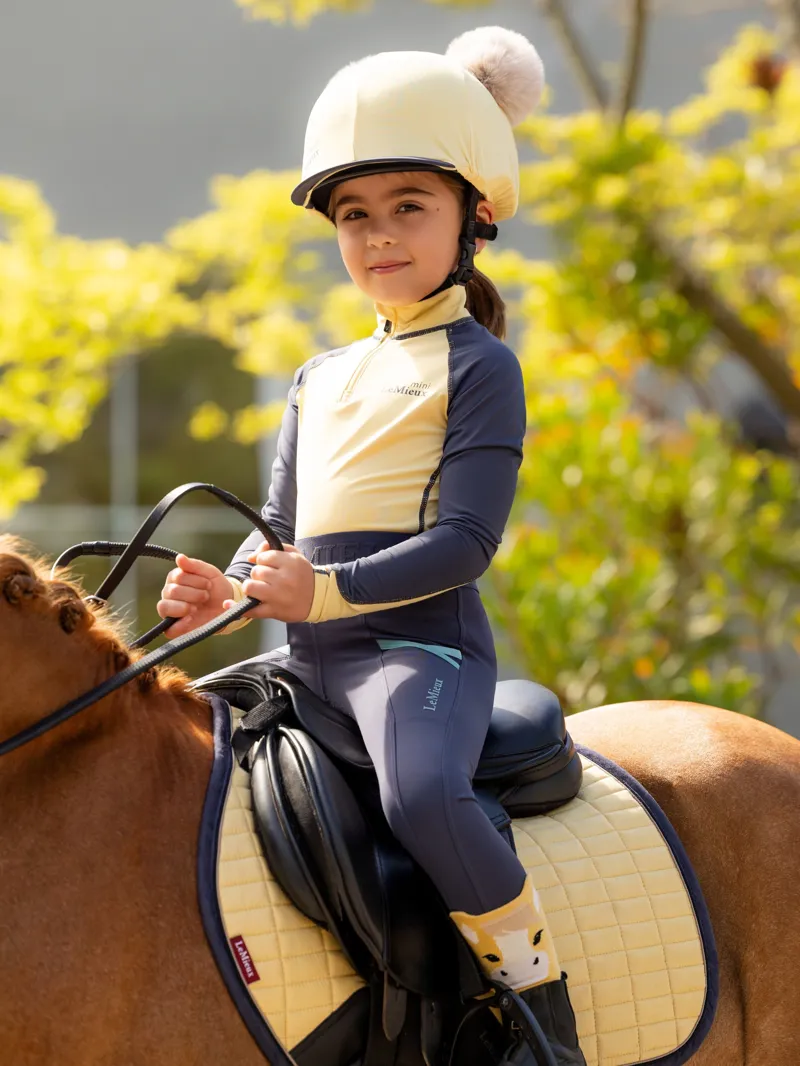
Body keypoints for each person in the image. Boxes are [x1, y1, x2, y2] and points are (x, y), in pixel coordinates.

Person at [158, 26, 585, 1066]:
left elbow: (465, 542)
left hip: (417, 655)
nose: (379, 235)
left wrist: (324, 590)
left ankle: (538, 1005)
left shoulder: (479, 365)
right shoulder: (317, 377)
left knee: (420, 794)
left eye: (408, 208)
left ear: (471, 218)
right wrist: (231, 590)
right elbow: (282, 545)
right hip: (309, 657)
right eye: (355, 215)